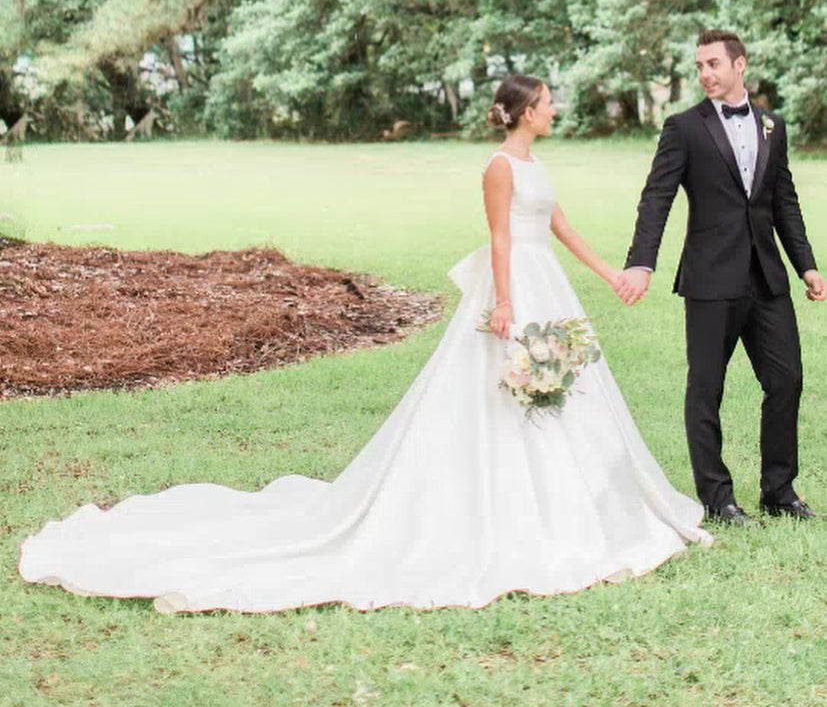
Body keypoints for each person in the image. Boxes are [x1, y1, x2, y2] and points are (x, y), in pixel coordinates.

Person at [19, 75, 709, 613]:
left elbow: (560, 228)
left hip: (547, 279)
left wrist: (610, 273)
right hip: (515, 285)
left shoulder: (537, 168)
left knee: (563, 391)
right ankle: (507, 513)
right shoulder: (497, 167)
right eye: (547, 102)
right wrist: (503, 301)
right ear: (522, 110)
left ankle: (574, 506)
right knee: (510, 392)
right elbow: (501, 237)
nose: (553, 109)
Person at [617, 30, 825, 525]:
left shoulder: (774, 126)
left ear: (740, 65)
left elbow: (783, 202)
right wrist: (641, 262)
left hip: (767, 279)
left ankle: (779, 490)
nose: (705, 74)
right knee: (706, 388)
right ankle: (718, 498)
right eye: (699, 66)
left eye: (713, 63)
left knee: (787, 380)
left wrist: (807, 266)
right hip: (710, 280)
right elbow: (657, 197)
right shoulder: (684, 127)